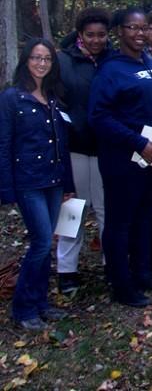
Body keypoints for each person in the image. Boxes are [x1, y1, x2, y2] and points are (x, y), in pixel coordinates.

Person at [89, 8, 152, 307]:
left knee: (147, 217)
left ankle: (145, 273)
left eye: (144, 28)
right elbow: (99, 116)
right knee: (120, 222)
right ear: (120, 31)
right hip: (124, 158)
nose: (140, 34)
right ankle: (121, 284)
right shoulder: (110, 69)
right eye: (133, 28)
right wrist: (137, 141)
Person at [0, 39, 75, 330]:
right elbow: (4, 144)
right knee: (41, 241)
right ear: (26, 61)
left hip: (54, 179)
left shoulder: (54, 97)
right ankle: (23, 308)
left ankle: (41, 302)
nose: (41, 63)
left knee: (47, 244)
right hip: (28, 181)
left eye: (46, 59)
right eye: (36, 58)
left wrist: (67, 182)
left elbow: (62, 144)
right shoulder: (11, 98)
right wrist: (6, 188)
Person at [55, 8, 111, 294]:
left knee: (106, 208)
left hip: (106, 147)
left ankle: (110, 263)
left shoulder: (112, 60)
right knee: (72, 209)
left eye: (101, 35)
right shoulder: (64, 61)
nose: (96, 40)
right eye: (90, 35)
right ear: (80, 35)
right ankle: (67, 269)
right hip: (74, 146)